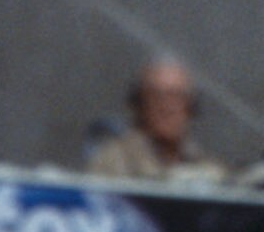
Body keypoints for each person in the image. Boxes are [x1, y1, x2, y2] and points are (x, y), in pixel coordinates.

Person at [87, 58, 220, 186]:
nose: (168, 107)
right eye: (157, 96)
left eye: (177, 96)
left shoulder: (209, 170)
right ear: (140, 104)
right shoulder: (110, 164)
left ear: (191, 107)